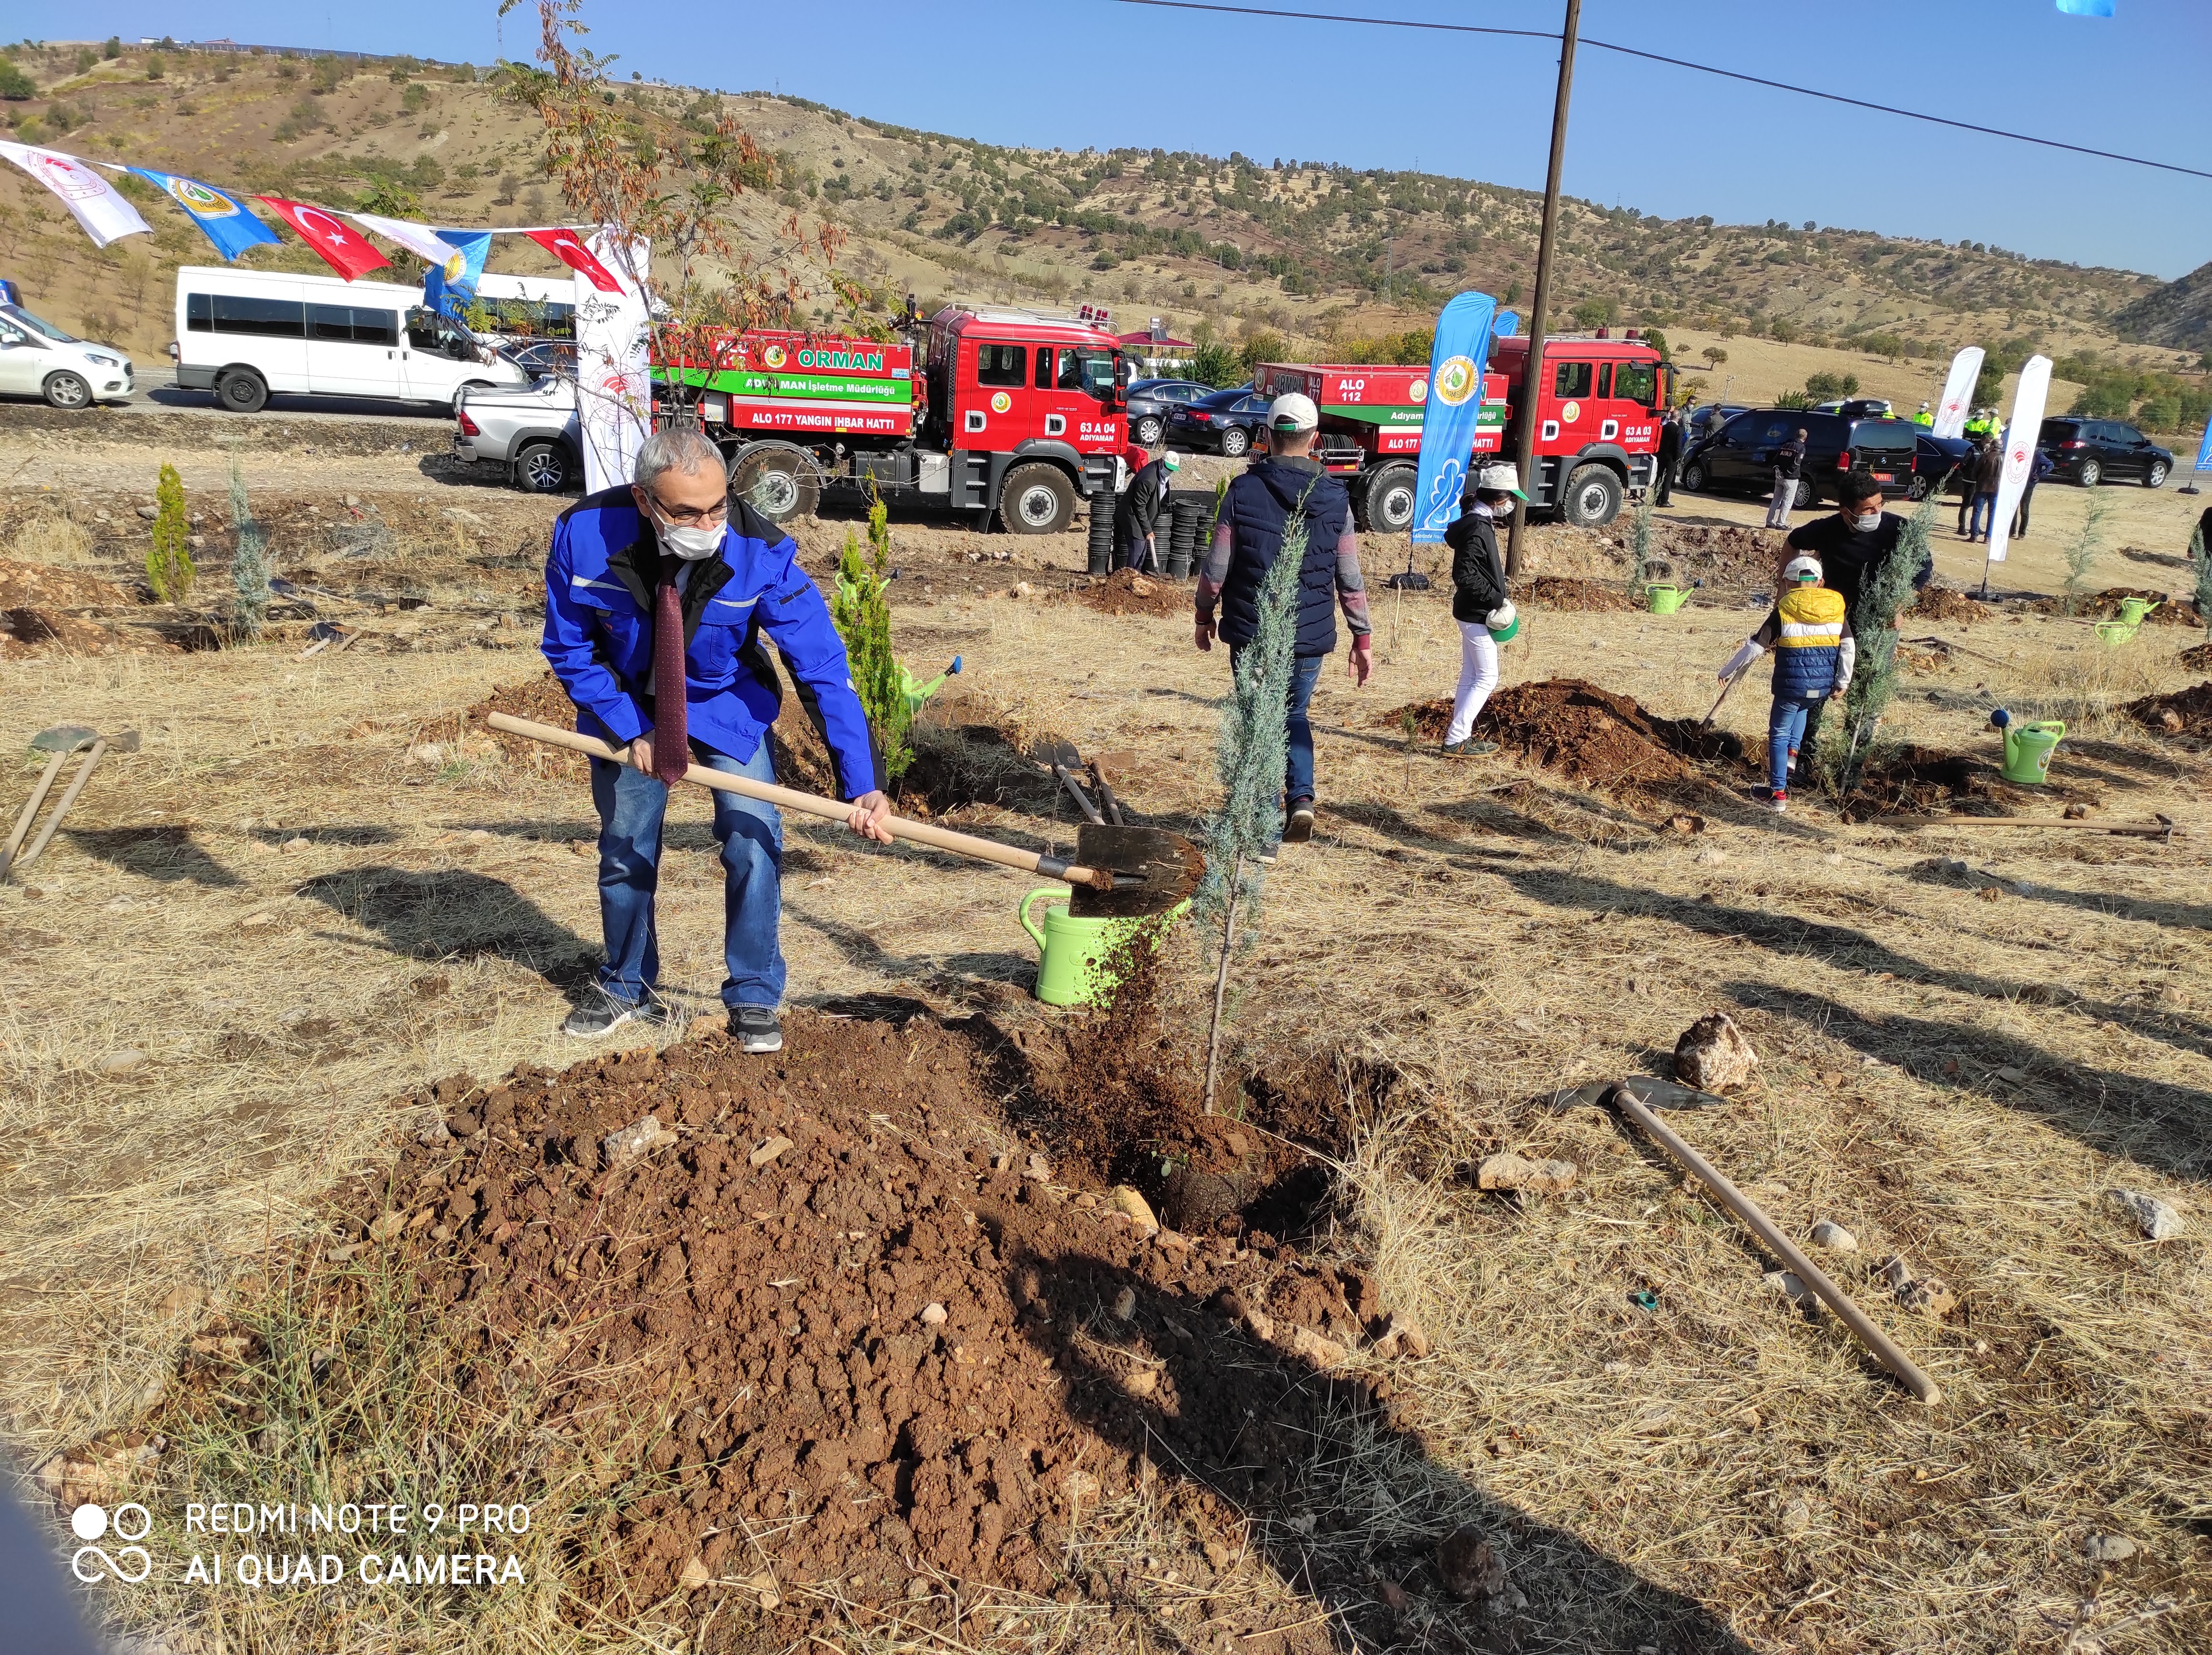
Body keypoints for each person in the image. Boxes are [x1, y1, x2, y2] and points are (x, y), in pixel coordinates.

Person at [540, 427, 893, 1051]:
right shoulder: (584, 535)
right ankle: (626, 985)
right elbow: (569, 649)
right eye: (685, 512)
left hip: (724, 703)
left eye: (716, 507)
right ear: (645, 500)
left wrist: (863, 784)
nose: (706, 524)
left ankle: (755, 994)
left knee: (753, 836)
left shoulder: (762, 550)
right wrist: (631, 728)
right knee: (626, 846)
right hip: (626, 706)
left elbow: (822, 670)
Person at [1194, 391, 1373, 845]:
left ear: (1268, 437)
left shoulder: (1242, 490)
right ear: (1314, 439)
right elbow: (1349, 576)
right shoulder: (1335, 497)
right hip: (1308, 636)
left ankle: (1262, 831)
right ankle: (1302, 800)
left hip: (1251, 632)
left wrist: (1203, 614)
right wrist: (1362, 636)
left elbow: (1217, 566)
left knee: (1258, 718)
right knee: (1294, 713)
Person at [1717, 553, 1854, 815]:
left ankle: (1777, 794)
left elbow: (1756, 647)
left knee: (1779, 733)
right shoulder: (1836, 609)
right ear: (1820, 582)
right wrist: (1843, 681)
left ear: (1787, 584)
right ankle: (1790, 763)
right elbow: (1848, 646)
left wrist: (1728, 669)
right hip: (1821, 686)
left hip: (1791, 686)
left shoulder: (1784, 609)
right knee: (1802, 711)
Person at [1440, 463, 1520, 757]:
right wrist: (1496, 600)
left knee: (1471, 674)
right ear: (1499, 499)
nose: (1512, 504)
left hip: (1470, 611)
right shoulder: (1477, 527)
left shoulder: (1477, 522)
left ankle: (1462, 736)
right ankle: (1456, 738)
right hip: (1477, 613)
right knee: (1488, 677)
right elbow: (1465, 575)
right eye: (1511, 498)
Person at [1783, 470, 1932, 618]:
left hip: (1877, 624)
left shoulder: (1900, 529)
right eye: (1868, 509)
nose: (1877, 512)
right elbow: (1792, 542)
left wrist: (1898, 608)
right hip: (1833, 617)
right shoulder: (1827, 529)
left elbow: (1924, 569)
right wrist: (1784, 590)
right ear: (1846, 513)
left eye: (1880, 504)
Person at [1116, 444, 1179, 572]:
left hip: (1142, 515)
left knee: (1141, 548)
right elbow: (1139, 506)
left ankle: (1135, 575)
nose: (1169, 471)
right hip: (1132, 515)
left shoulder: (1162, 474)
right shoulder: (1148, 479)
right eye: (1168, 468)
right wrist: (1148, 530)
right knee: (1138, 547)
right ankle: (1130, 577)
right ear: (1162, 462)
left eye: (1172, 470)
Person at [1964, 433, 2005, 542]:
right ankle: (1988, 537)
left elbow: (1975, 471)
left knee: (1977, 511)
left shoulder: (1986, 456)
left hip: (1982, 487)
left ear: (1992, 446)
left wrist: (1978, 480)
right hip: (1997, 489)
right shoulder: (2004, 458)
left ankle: (1974, 536)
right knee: (1992, 513)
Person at [1766, 426, 1807, 529]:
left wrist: (1778, 471)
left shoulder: (1785, 445)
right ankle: (1781, 524)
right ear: (1805, 438)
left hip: (1779, 477)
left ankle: (1769, 522)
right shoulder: (1801, 448)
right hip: (1791, 479)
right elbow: (1796, 464)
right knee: (1787, 501)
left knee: (1776, 500)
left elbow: (1775, 461)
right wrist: (1787, 473)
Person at [2012, 445, 2054, 539]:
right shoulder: (2021, 451)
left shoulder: (2038, 455)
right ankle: (2012, 532)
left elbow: (2051, 465)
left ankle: (2022, 533)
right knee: (2014, 507)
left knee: (2024, 509)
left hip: (2029, 485)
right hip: (2017, 483)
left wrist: (2040, 475)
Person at [1653, 408, 1683, 507]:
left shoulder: (1664, 427)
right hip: (1672, 458)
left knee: (1659, 477)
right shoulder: (1678, 429)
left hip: (1661, 456)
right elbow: (1678, 445)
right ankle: (1664, 501)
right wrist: (1678, 457)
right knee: (1668, 479)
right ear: (1678, 417)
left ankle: (1656, 499)